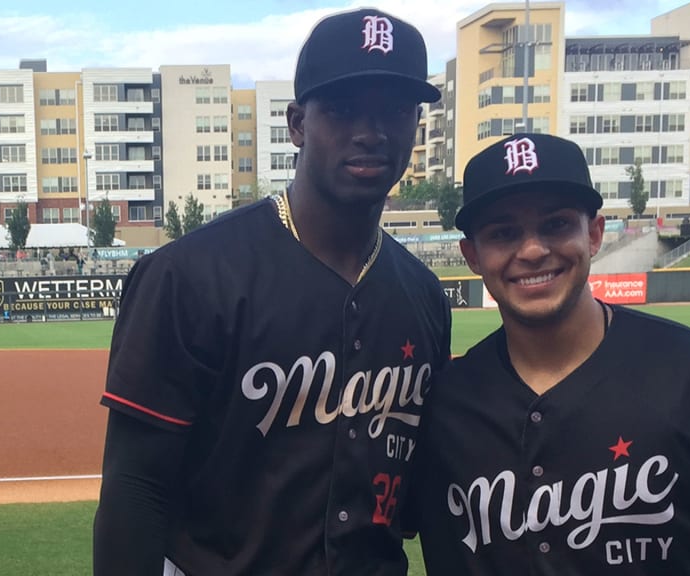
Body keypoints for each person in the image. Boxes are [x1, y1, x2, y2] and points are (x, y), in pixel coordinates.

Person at [93, 8, 451, 576]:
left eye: (393, 109)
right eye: (341, 107)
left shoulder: (424, 297)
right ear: (296, 124)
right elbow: (135, 491)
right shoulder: (188, 276)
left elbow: (412, 505)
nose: (370, 131)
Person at [410, 134, 690, 576]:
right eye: (503, 233)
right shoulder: (436, 407)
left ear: (594, 234)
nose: (533, 250)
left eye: (556, 224)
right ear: (472, 255)